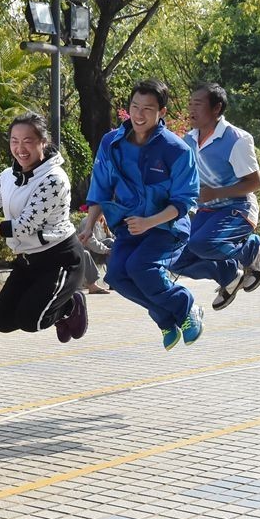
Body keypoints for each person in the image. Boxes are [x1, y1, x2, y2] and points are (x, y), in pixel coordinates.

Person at [80, 79, 201, 351]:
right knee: (117, 276)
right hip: (130, 226)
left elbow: (184, 201)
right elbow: (100, 186)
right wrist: (89, 225)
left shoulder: (177, 150)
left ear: (162, 113)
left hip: (166, 228)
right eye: (135, 106)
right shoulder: (111, 143)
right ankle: (165, 319)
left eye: (148, 108)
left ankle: (185, 306)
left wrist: (149, 222)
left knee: (140, 268)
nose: (139, 114)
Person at [0, 112, 88, 342]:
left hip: (59, 259)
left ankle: (69, 305)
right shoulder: (7, 176)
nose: (20, 148)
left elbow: (24, 226)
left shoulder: (54, 179)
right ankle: (59, 306)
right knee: (2, 320)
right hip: (27, 261)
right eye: (14, 141)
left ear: (43, 142)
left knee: (32, 321)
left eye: (28, 141)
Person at [169, 83, 260, 310]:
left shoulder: (236, 139)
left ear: (217, 108)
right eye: (190, 103)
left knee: (202, 244)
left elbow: (256, 183)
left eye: (198, 104)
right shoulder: (189, 140)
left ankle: (252, 249)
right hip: (208, 211)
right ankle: (229, 275)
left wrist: (216, 193)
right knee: (175, 259)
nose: (191, 109)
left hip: (238, 208)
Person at [78, 208, 112, 294]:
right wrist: (107, 250)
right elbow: (91, 242)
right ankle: (92, 286)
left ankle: (114, 279)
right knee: (85, 253)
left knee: (112, 243)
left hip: (99, 251)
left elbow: (111, 237)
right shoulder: (86, 222)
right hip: (90, 250)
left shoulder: (103, 222)